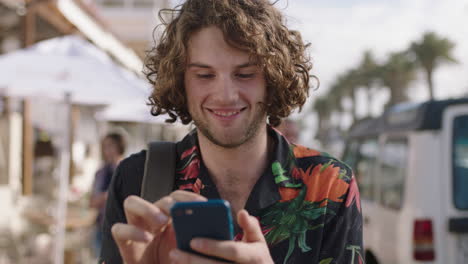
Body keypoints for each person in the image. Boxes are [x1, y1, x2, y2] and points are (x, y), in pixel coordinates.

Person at [100, 0, 363, 263]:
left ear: (272, 80)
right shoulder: (135, 179)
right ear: (181, 82)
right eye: (204, 75)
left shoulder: (330, 184)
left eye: (245, 74)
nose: (225, 95)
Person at [90, 132, 126, 257]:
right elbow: (92, 202)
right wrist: (108, 196)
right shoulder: (100, 172)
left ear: (119, 146)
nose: (107, 150)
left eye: (111, 146)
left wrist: (105, 197)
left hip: (121, 227)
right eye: (105, 146)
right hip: (102, 226)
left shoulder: (128, 170)